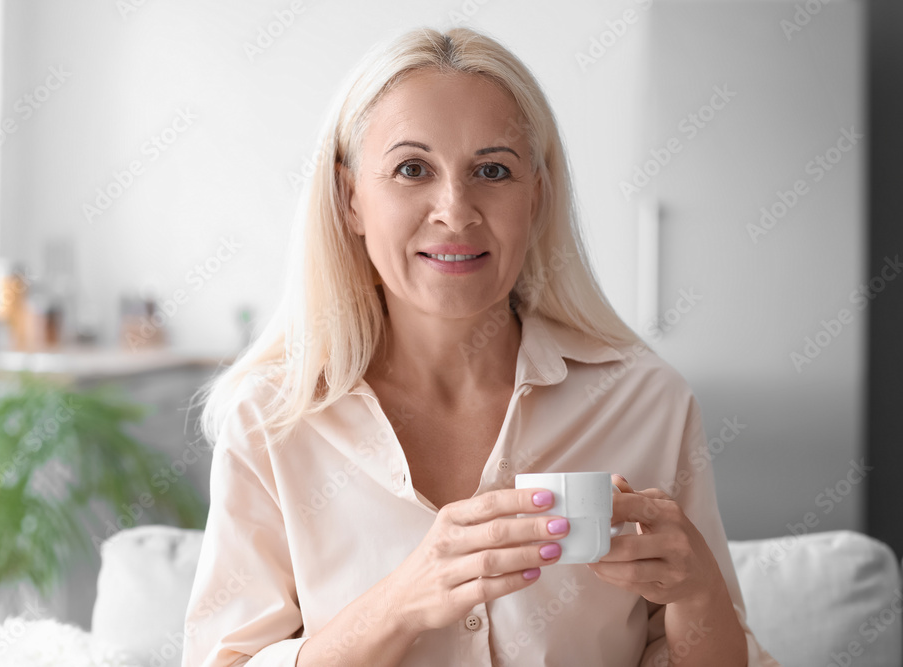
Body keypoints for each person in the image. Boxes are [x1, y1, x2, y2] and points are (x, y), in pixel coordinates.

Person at [181, 26, 781, 667]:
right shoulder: (271, 419)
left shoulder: (644, 400)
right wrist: (400, 604)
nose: (456, 210)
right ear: (349, 197)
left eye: (492, 171)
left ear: (537, 198)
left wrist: (699, 592)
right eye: (412, 169)